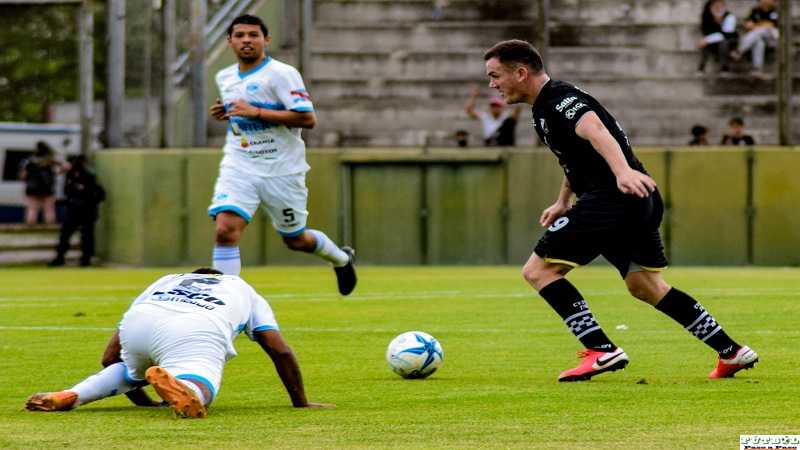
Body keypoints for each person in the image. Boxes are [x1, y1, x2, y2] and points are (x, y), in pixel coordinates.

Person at [482, 39, 758, 382]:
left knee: (538, 271)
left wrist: (623, 172)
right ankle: (730, 351)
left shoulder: (559, 100)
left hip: (614, 197)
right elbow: (574, 157)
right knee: (645, 285)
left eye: (495, 75)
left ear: (520, 72)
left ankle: (601, 349)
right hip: (636, 199)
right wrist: (563, 199)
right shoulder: (543, 108)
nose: (492, 84)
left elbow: (594, 129)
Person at [25, 268, 334, 418]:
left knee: (130, 368)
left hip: (141, 322)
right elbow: (278, 348)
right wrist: (301, 402)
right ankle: (188, 390)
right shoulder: (241, 288)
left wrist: (145, 404)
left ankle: (72, 394)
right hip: (197, 326)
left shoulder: (169, 279)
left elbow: (109, 358)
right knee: (200, 389)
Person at [207, 14, 356, 295]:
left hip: (282, 170)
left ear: (266, 39)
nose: (247, 40)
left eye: (253, 35)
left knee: (296, 240)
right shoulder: (224, 77)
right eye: (240, 35)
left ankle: (342, 258)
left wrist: (257, 113)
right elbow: (241, 113)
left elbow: (307, 119)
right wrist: (224, 113)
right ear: (229, 41)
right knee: (225, 229)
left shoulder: (282, 73)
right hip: (239, 165)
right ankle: (225, 302)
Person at [49, 155, 105, 267]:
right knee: (67, 235)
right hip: (75, 210)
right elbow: (68, 192)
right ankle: (61, 257)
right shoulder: (72, 176)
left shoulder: (87, 176)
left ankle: (84, 259)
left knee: (85, 236)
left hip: (86, 210)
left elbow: (93, 194)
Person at [731, 0, 779, 79]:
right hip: (758, 37)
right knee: (758, 42)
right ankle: (757, 69)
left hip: (773, 38)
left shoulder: (775, 10)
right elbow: (747, 24)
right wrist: (757, 25)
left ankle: (739, 50)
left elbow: (770, 25)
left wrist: (757, 25)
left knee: (762, 30)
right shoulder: (755, 10)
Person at [19, 141, 60, 226]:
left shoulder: (29, 161)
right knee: (49, 209)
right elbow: (66, 166)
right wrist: (57, 173)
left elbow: (23, 175)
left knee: (32, 209)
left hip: (32, 188)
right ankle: (49, 228)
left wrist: (27, 179)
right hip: (47, 188)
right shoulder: (50, 160)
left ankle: (30, 227)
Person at [696, 0, 737, 74]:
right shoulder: (707, 16)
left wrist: (707, 40)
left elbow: (726, 34)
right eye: (715, 5)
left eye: (720, 5)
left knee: (723, 43)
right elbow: (705, 31)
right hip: (713, 43)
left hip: (729, 43)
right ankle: (701, 67)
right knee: (705, 45)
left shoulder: (729, 16)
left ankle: (724, 67)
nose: (718, 8)